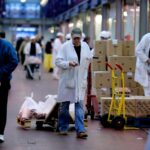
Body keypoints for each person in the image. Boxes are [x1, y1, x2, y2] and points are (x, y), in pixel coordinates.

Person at [55, 27, 92, 139]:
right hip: (68, 80)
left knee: (79, 106)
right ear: (71, 37)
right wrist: (68, 63)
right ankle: (63, 127)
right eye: (75, 38)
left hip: (80, 81)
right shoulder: (65, 47)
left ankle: (80, 130)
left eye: (78, 38)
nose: (76, 40)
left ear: (81, 37)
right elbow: (58, 61)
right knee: (65, 106)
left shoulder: (85, 46)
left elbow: (88, 58)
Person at [0, 38, 18, 143]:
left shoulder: (6, 45)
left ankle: (0, 133)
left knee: (1, 107)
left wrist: (2, 73)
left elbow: (14, 61)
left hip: (2, 81)